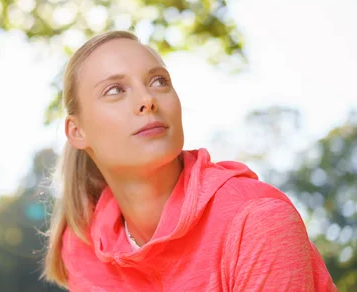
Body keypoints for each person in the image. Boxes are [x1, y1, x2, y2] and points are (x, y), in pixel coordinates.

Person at [41, 30, 337, 291]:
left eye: (159, 81)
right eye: (115, 90)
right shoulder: (83, 245)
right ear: (77, 132)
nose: (147, 99)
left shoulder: (256, 220)